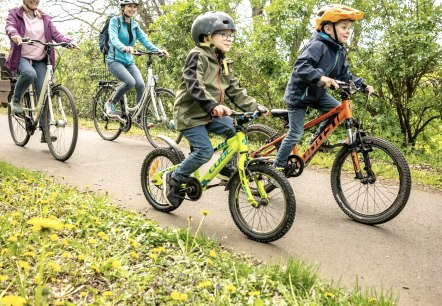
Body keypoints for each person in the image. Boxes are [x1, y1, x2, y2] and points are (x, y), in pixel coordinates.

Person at [162, 11, 267, 207]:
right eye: (223, 34)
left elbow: (235, 90)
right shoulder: (197, 56)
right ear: (206, 36)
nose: (229, 38)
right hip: (190, 115)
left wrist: (255, 106)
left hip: (211, 114)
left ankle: (227, 167)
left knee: (234, 130)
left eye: (231, 34)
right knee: (204, 152)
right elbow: (194, 84)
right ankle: (175, 178)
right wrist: (213, 105)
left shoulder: (224, 61)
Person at [273, 4, 374, 169]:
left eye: (349, 28)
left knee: (337, 110)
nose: (348, 31)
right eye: (344, 27)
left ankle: (317, 139)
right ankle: (276, 166)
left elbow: (344, 75)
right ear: (328, 29)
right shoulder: (318, 45)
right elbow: (300, 66)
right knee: (295, 133)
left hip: (317, 94)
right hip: (298, 95)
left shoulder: (339, 51)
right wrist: (320, 77)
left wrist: (362, 85)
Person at [5, 0, 78, 143]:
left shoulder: (44, 17)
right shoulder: (15, 13)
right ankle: (16, 99)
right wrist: (14, 34)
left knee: (44, 94)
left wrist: (68, 41)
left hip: (41, 59)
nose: (35, 0)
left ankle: (45, 132)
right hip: (22, 57)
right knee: (29, 74)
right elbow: (10, 26)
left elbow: (56, 34)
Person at [104, 0, 169, 124]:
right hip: (114, 60)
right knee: (130, 82)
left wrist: (158, 50)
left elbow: (144, 40)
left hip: (128, 61)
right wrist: (124, 47)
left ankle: (139, 117)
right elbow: (113, 39)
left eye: (135, 7)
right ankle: (111, 103)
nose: (132, 9)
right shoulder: (115, 21)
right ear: (123, 8)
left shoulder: (134, 24)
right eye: (129, 6)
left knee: (140, 85)